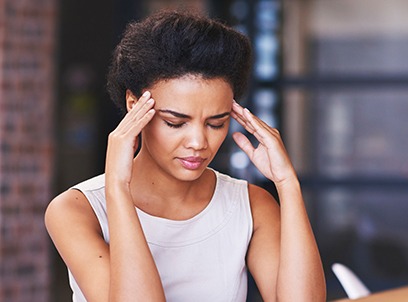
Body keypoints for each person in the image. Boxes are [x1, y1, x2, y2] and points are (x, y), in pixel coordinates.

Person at [45, 10, 326, 302]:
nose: (198, 142)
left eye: (216, 123)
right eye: (175, 123)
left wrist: (287, 183)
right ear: (134, 105)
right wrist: (117, 187)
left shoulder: (251, 206)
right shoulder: (76, 210)